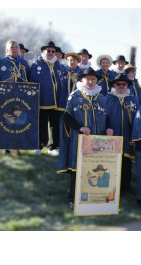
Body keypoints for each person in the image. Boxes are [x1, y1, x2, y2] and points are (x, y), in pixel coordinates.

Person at [57, 68, 113, 210]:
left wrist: (108, 128)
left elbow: (106, 117)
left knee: (95, 170)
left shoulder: (101, 97)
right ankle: (73, 199)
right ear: (82, 80)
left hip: (98, 140)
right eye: (88, 79)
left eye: (93, 79)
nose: (90, 81)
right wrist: (79, 128)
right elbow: (67, 117)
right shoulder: (75, 96)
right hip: (80, 140)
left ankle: (94, 199)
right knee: (78, 170)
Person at [28, 41, 64, 156]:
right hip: (41, 100)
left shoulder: (58, 65)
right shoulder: (36, 64)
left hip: (56, 100)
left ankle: (53, 147)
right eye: (48, 51)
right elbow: (32, 81)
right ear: (43, 51)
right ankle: (38, 145)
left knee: (54, 125)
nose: (51, 53)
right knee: (40, 124)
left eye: (53, 51)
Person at [105, 73, 138, 194]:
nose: (121, 86)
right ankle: (111, 189)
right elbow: (102, 117)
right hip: (112, 138)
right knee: (112, 164)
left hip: (128, 137)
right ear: (114, 85)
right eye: (118, 84)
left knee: (126, 164)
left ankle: (125, 189)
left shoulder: (133, 99)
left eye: (124, 84)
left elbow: (137, 119)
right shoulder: (107, 99)